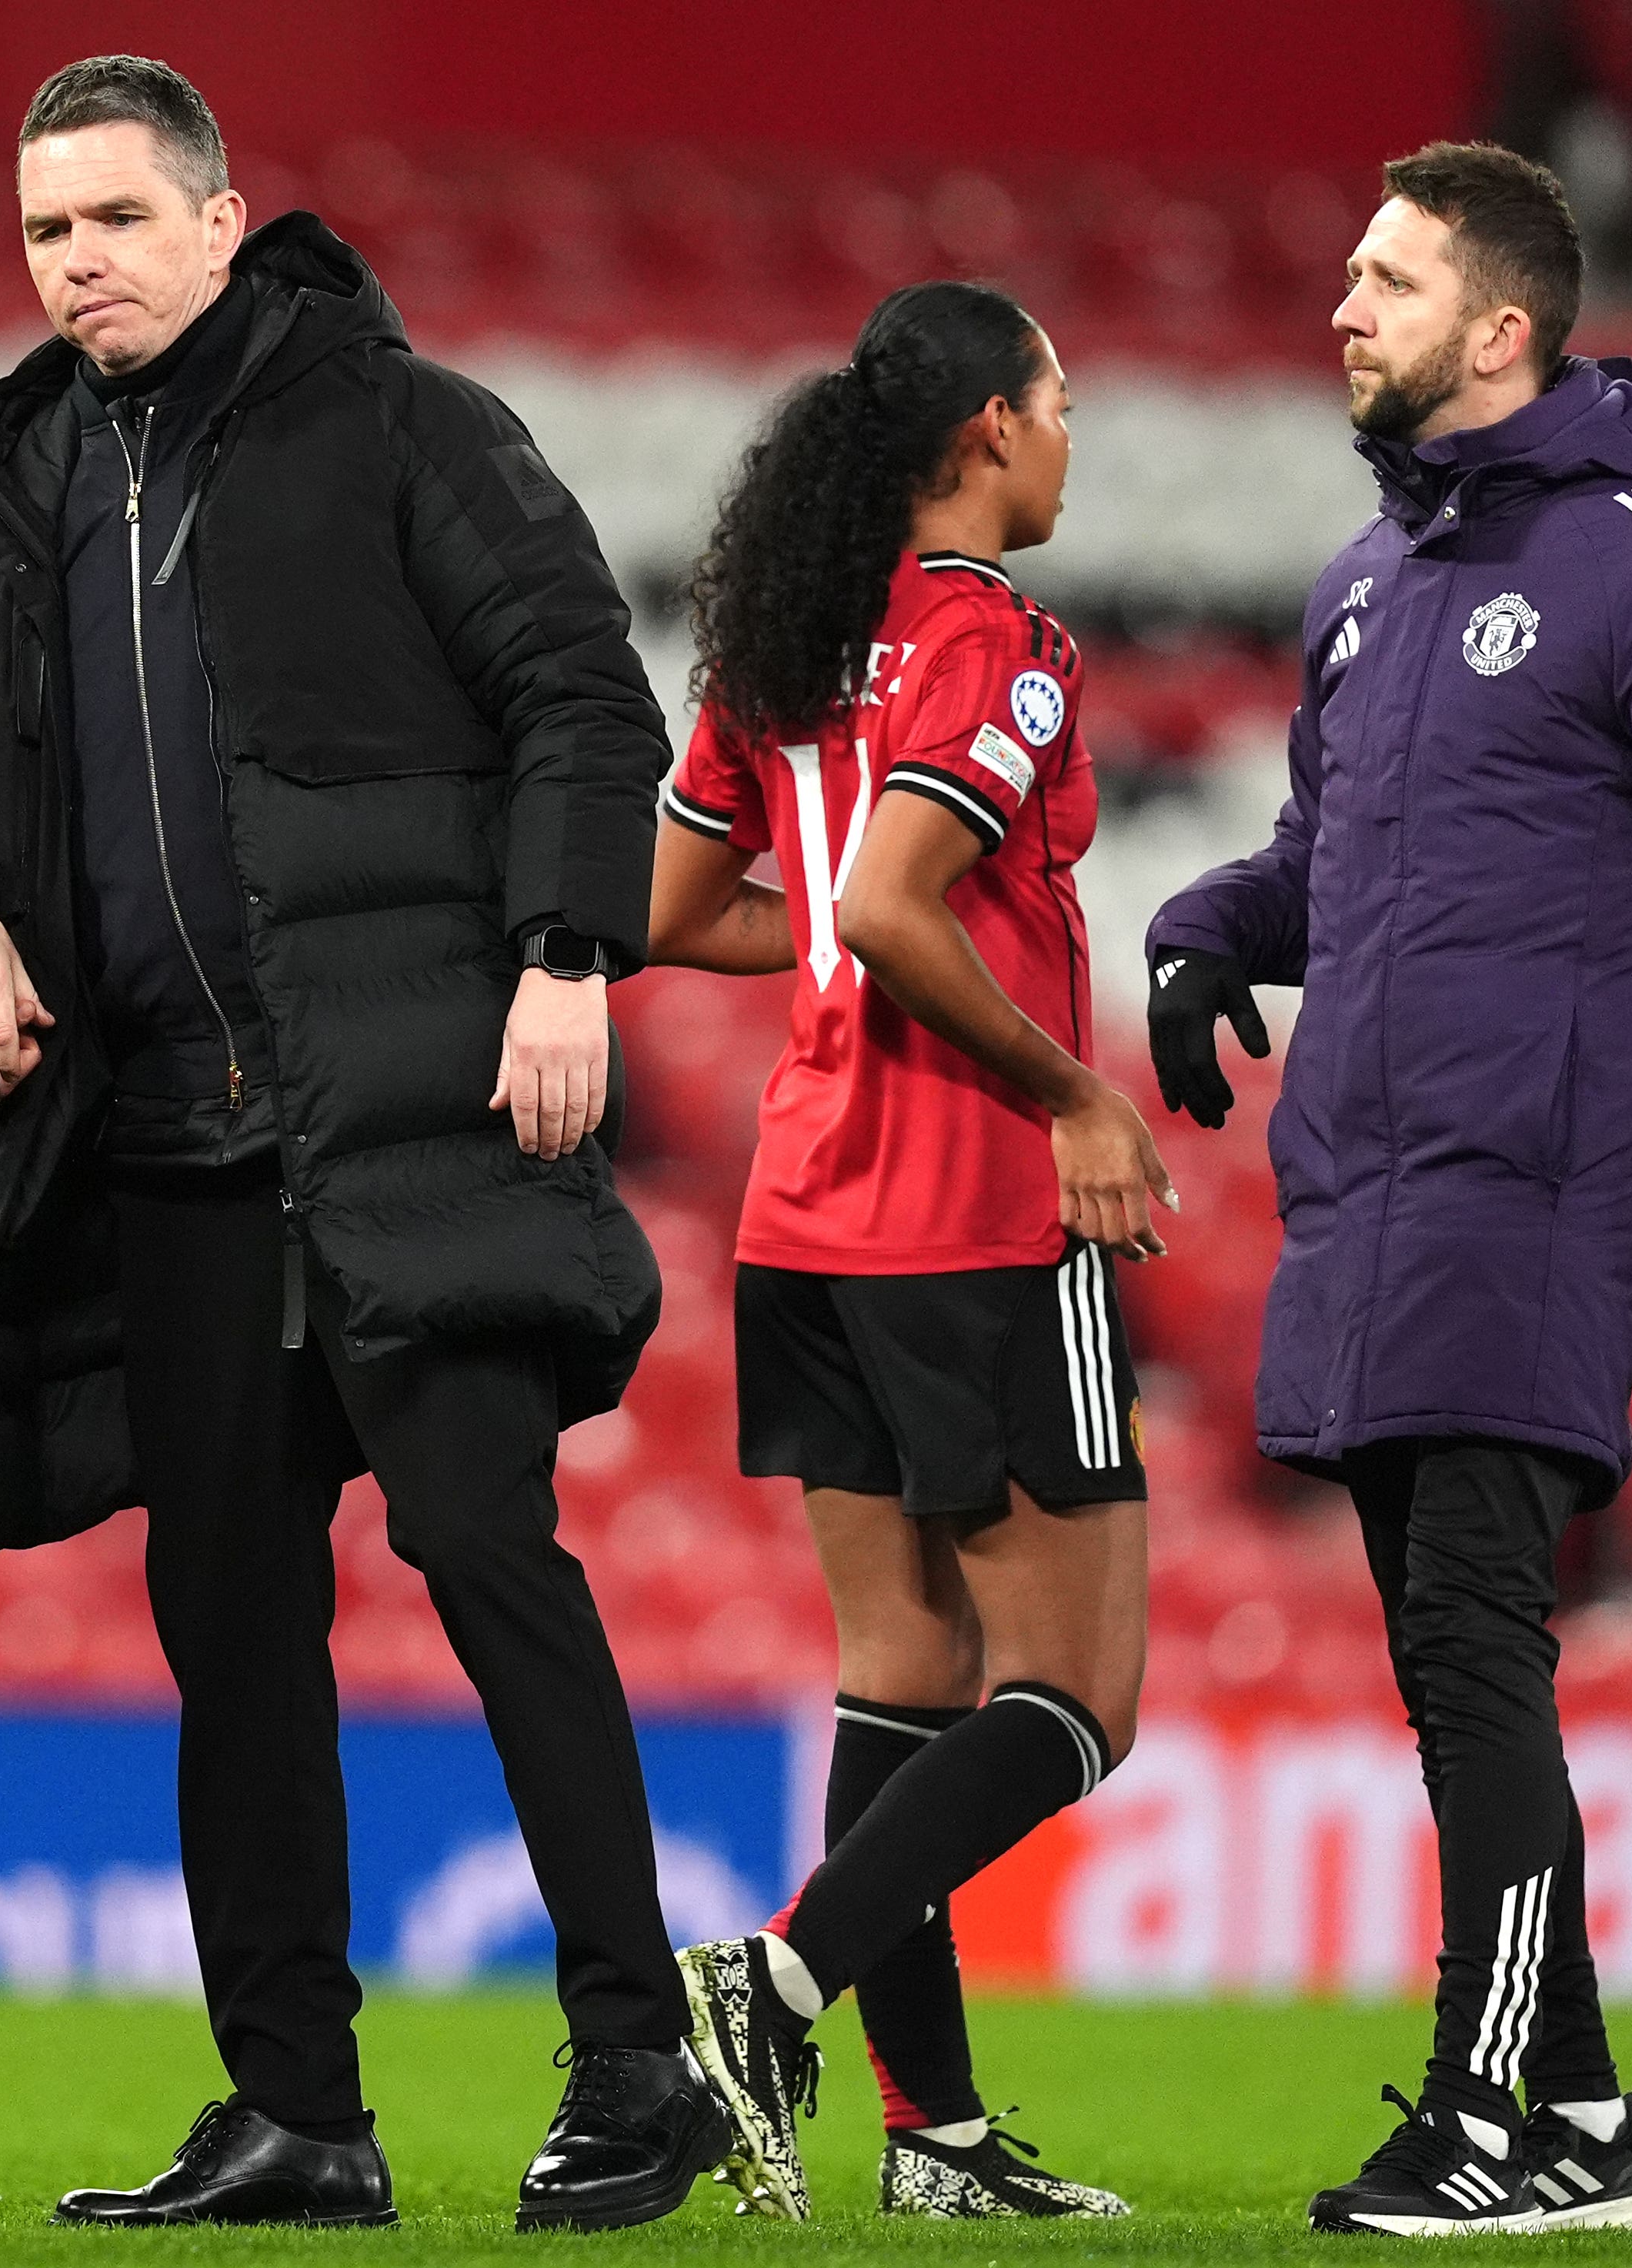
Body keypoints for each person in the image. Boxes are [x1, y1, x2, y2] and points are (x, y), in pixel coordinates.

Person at [0, 54, 720, 2233]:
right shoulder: (25, 485)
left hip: (411, 1098)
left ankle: (637, 2061)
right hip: (164, 1144)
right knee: (228, 1623)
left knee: (484, 1554)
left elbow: (581, 695)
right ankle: (293, 2112)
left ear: (222, 221)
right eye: (45, 230)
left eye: (115, 221)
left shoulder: (405, 423)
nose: (75, 265)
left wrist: (560, 952)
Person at [1145, 143, 1632, 2236]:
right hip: (1363, 1198)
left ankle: (1475, 2113)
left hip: (1536, 1192)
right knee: (1453, 1658)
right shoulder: (1362, 590)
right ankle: (1586, 2126)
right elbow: (1333, 859)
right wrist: (1205, 926)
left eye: (1383, 278)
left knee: (1471, 1644)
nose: (1339, 308)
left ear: (1502, 327)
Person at [646, 281, 1150, 2226]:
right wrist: (1073, 1099)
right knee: (1071, 1696)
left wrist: (864, 947)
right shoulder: (998, 643)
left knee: (902, 1674)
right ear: (986, 436)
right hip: (979, 1214)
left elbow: (674, 908)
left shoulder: (782, 640)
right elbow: (891, 896)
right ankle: (772, 1982)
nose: (1069, 427)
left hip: (808, 1214)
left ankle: (930, 2137)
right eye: (1058, 394)